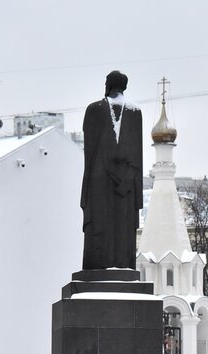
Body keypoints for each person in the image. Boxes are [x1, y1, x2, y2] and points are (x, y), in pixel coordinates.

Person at [80, 70, 143, 270]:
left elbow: (89, 149)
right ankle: (119, 265)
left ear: (108, 85)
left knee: (102, 228)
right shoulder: (135, 112)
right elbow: (138, 153)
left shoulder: (94, 109)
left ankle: (103, 266)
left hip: (103, 180)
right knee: (119, 228)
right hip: (125, 181)